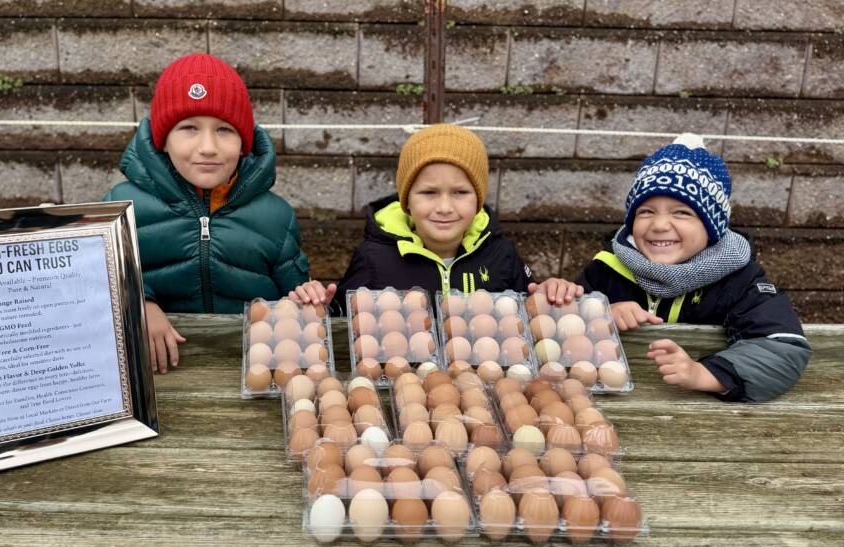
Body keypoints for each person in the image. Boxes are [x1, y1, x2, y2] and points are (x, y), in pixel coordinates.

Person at [103, 54, 310, 373]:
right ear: (162, 140)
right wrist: (139, 302)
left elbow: (297, 300)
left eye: (225, 130)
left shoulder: (276, 217)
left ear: (244, 141)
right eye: (189, 128)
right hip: (158, 376)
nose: (209, 146)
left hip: (249, 369)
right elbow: (94, 282)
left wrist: (310, 299)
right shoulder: (121, 206)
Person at [575, 133, 810, 401]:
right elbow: (556, 331)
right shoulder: (607, 268)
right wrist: (599, 314)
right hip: (613, 406)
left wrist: (703, 374)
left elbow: (783, 348)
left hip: (707, 418)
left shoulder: (741, 281)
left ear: (711, 229)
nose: (660, 225)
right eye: (646, 212)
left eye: (681, 213)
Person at [290, 123, 580, 313]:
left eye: (460, 192)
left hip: (485, 393)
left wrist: (552, 293)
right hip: (401, 390)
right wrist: (320, 304)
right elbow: (341, 317)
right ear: (406, 201)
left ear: (478, 200)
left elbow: (531, 311)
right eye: (429, 192)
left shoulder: (500, 253)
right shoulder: (375, 257)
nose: (444, 207)